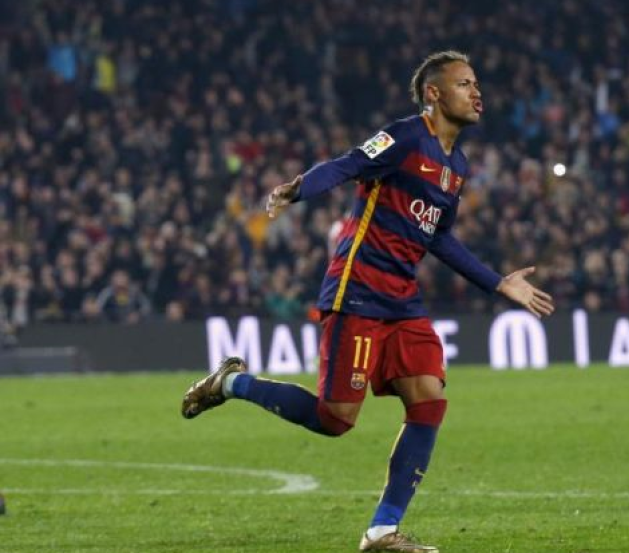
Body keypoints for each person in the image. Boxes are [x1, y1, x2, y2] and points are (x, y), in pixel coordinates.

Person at [180, 50, 554, 552]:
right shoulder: (405, 137)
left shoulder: (457, 166)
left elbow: (439, 238)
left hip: (403, 299)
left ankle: (381, 531)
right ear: (434, 93)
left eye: (476, 83)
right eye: (465, 83)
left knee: (429, 399)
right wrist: (300, 189)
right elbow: (350, 164)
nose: (476, 92)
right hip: (358, 288)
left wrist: (497, 283)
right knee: (335, 419)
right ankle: (231, 383)